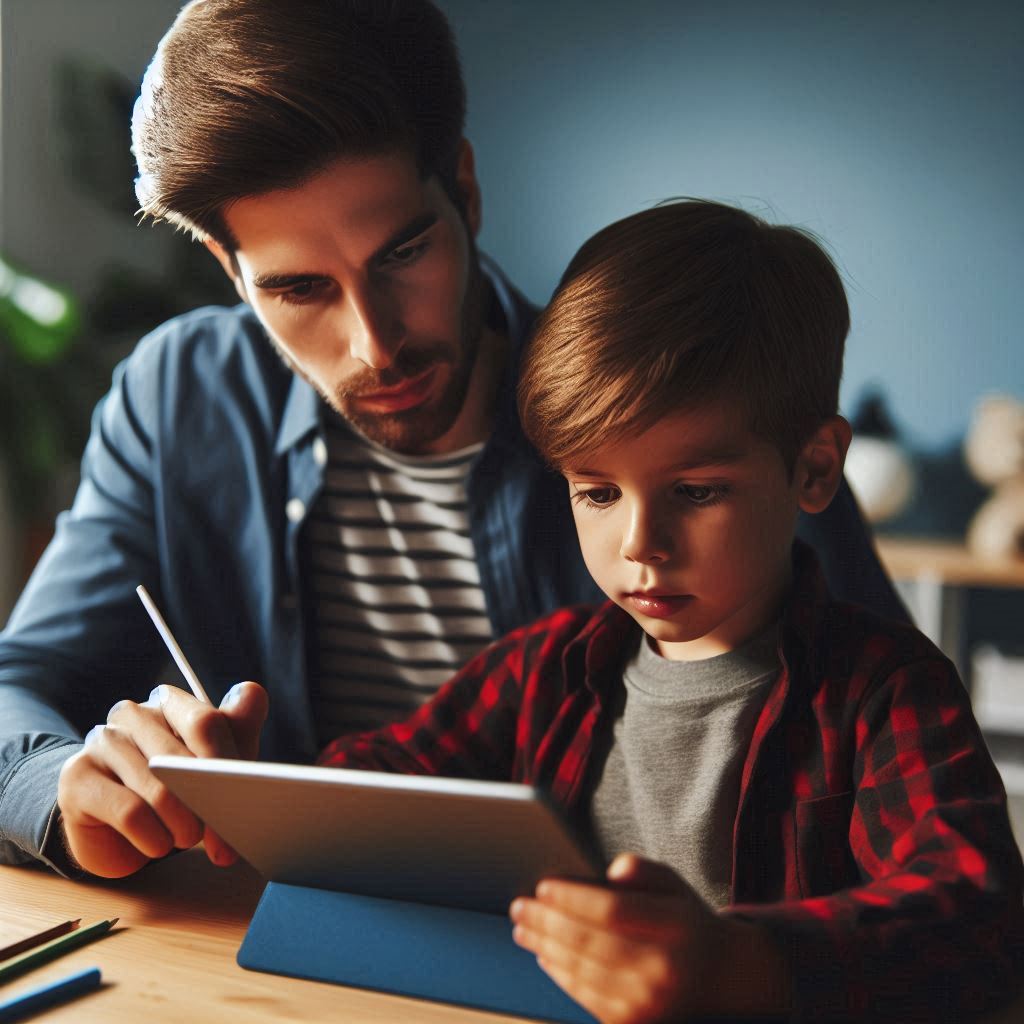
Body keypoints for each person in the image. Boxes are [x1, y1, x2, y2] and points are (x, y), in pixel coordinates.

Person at [0, 0, 903, 879]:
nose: (375, 342)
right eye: (299, 290)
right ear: (228, 271)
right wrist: (68, 792)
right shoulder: (180, 395)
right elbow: (21, 682)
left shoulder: (673, 411)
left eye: (400, 254)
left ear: (464, 189)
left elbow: (895, 755)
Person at [316, 200, 1023, 1023]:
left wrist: (752, 967)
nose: (640, 542)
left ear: (815, 469)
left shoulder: (885, 690)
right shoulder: (540, 670)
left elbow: (981, 916)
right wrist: (236, 777)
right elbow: (374, 784)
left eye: (696, 492)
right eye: (598, 492)